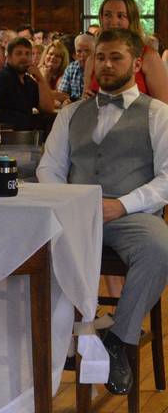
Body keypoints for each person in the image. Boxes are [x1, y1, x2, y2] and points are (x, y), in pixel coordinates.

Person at [37, 28, 168, 396]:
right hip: (74, 212)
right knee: (23, 246)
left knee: (161, 249)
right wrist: (70, 202)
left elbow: (167, 179)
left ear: (137, 63)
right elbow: (50, 167)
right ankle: (47, 341)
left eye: (116, 58)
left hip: (131, 215)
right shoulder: (71, 113)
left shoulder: (158, 114)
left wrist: (121, 205)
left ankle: (119, 338)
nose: (106, 65)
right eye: (100, 57)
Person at [84, 0, 168, 104]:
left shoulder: (148, 56)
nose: (113, 22)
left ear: (132, 20)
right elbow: (86, 95)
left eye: (121, 16)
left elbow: (164, 106)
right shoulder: (92, 59)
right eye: (107, 15)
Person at [0, 37, 55, 130]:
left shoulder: (29, 81)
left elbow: (48, 109)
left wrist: (40, 79)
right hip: (7, 136)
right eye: (19, 53)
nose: (24, 57)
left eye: (27, 53)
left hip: (27, 136)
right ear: (8, 57)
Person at [59, 33, 94, 103]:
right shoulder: (71, 68)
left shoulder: (101, 69)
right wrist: (65, 102)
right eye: (79, 51)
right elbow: (62, 94)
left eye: (87, 51)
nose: (83, 55)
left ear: (95, 51)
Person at [39, 40, 70, 107]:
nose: (53, 57)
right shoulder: (37, 72)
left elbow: (64, 97)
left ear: (63, 60)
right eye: (51, 54)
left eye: (57, 56)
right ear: (45, 55)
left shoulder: (65, 75)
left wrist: (45, 78)